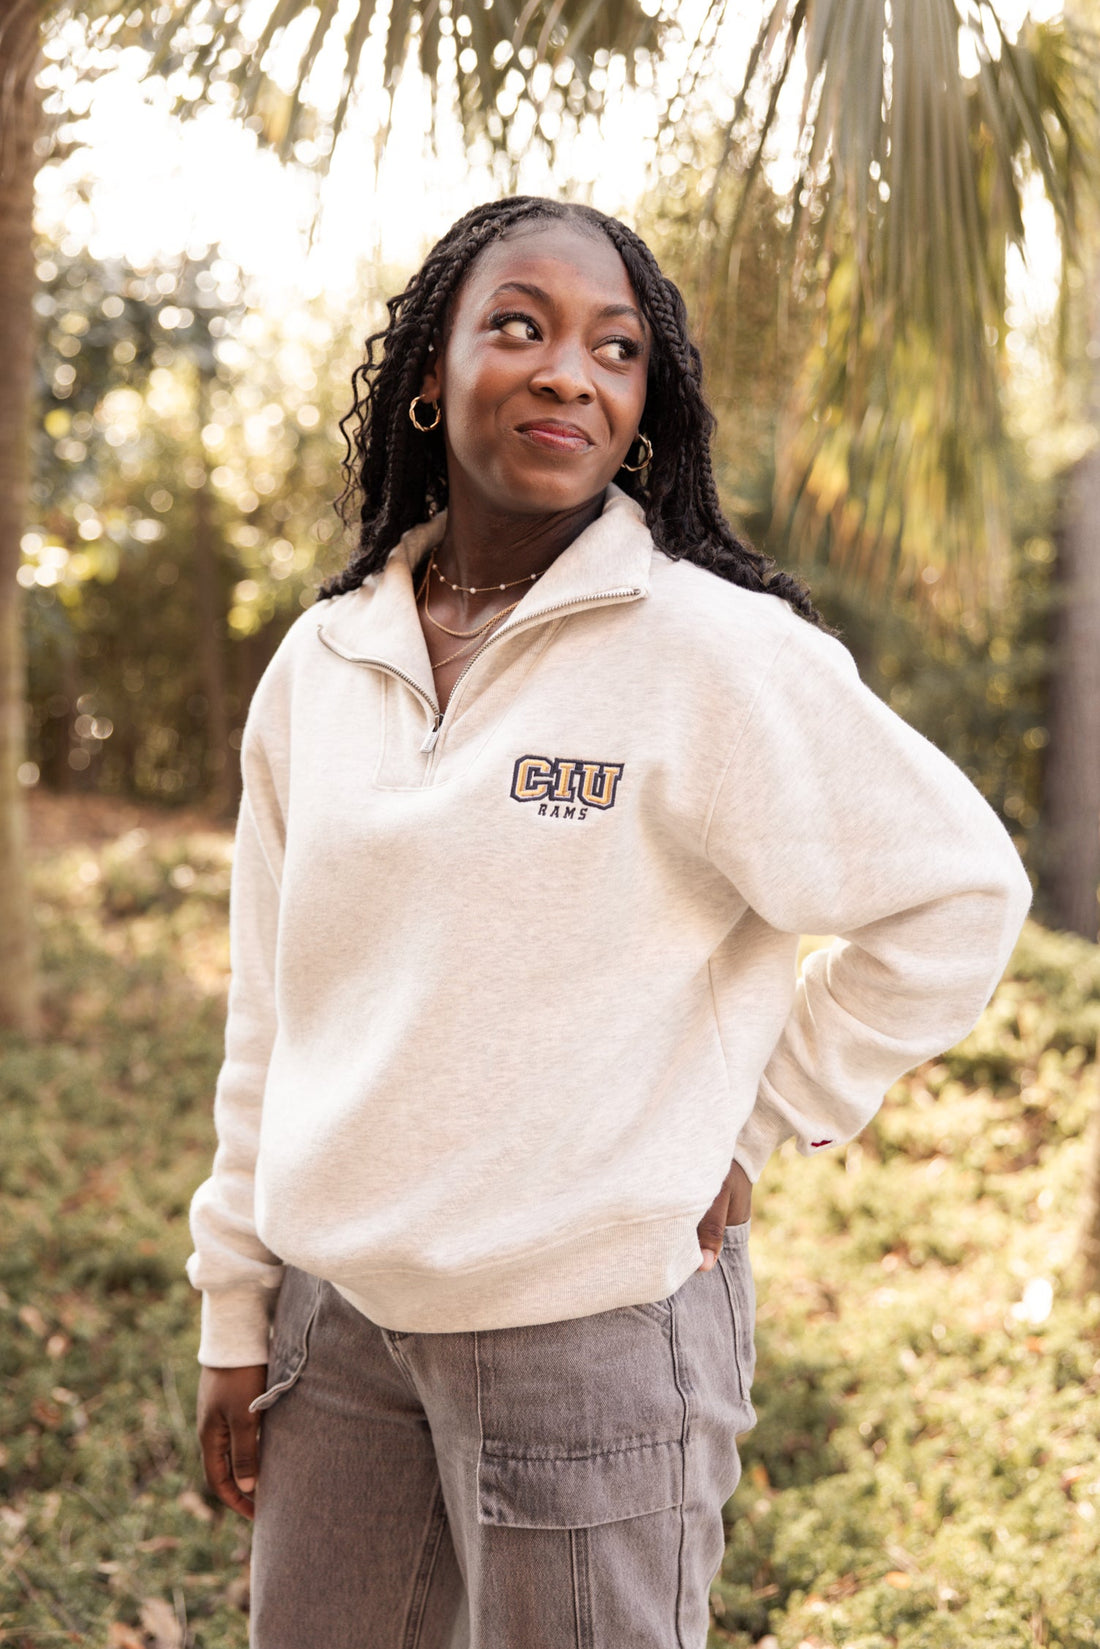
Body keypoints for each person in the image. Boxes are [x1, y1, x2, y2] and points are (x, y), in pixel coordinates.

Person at [186, 195, 1032, 1649]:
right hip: (340, 1330)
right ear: (427, 374)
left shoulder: (708, 651)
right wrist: (236, 1306)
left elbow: (961, 890)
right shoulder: (322, 663)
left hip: (588, 1337)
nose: (568, 369)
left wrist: (760, 1121)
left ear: (642, 406)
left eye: (615, 347)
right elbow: (271, 1009)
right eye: (517, 325)